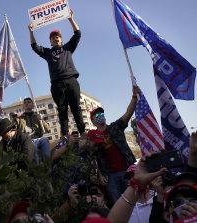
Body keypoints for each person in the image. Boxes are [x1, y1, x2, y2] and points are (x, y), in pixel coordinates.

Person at [28, 9, 86, 137]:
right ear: (50, 41)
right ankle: (65, 135)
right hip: (57, 84)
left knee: (76, 108)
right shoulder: (48, 52)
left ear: (61, 39)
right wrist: (31, 31)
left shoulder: (67, 48)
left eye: (57, 37)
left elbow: (78, 34)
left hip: (71, 81)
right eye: (53, 38)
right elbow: (34, 47)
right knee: (62, 110)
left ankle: (83, 132)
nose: (55, 39)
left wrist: (70, 19)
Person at [88, 86, 140, 204]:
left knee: (134, 201)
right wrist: (100, 176)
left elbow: (128, 113)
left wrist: (134, 96)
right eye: (96, 115)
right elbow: (93, 158)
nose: (100, 116)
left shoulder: (115, 127)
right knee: (118, 205)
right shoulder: (92, 137)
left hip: (127, 171)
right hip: (110, 177)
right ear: (92, 121)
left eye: (101, 113)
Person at [14, 97, 51, 164]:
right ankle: (37, 168)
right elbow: (15, 132)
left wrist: (41, 120)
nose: (26, 103)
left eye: (29, 102)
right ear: (23, 107)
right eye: (25, 103)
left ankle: (47, 165)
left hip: (37, 138)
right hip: (27, 140)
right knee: (33, 147)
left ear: (33, 105)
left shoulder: (37, 116)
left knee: (45, 140)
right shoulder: (19, 119)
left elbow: (48, 129)